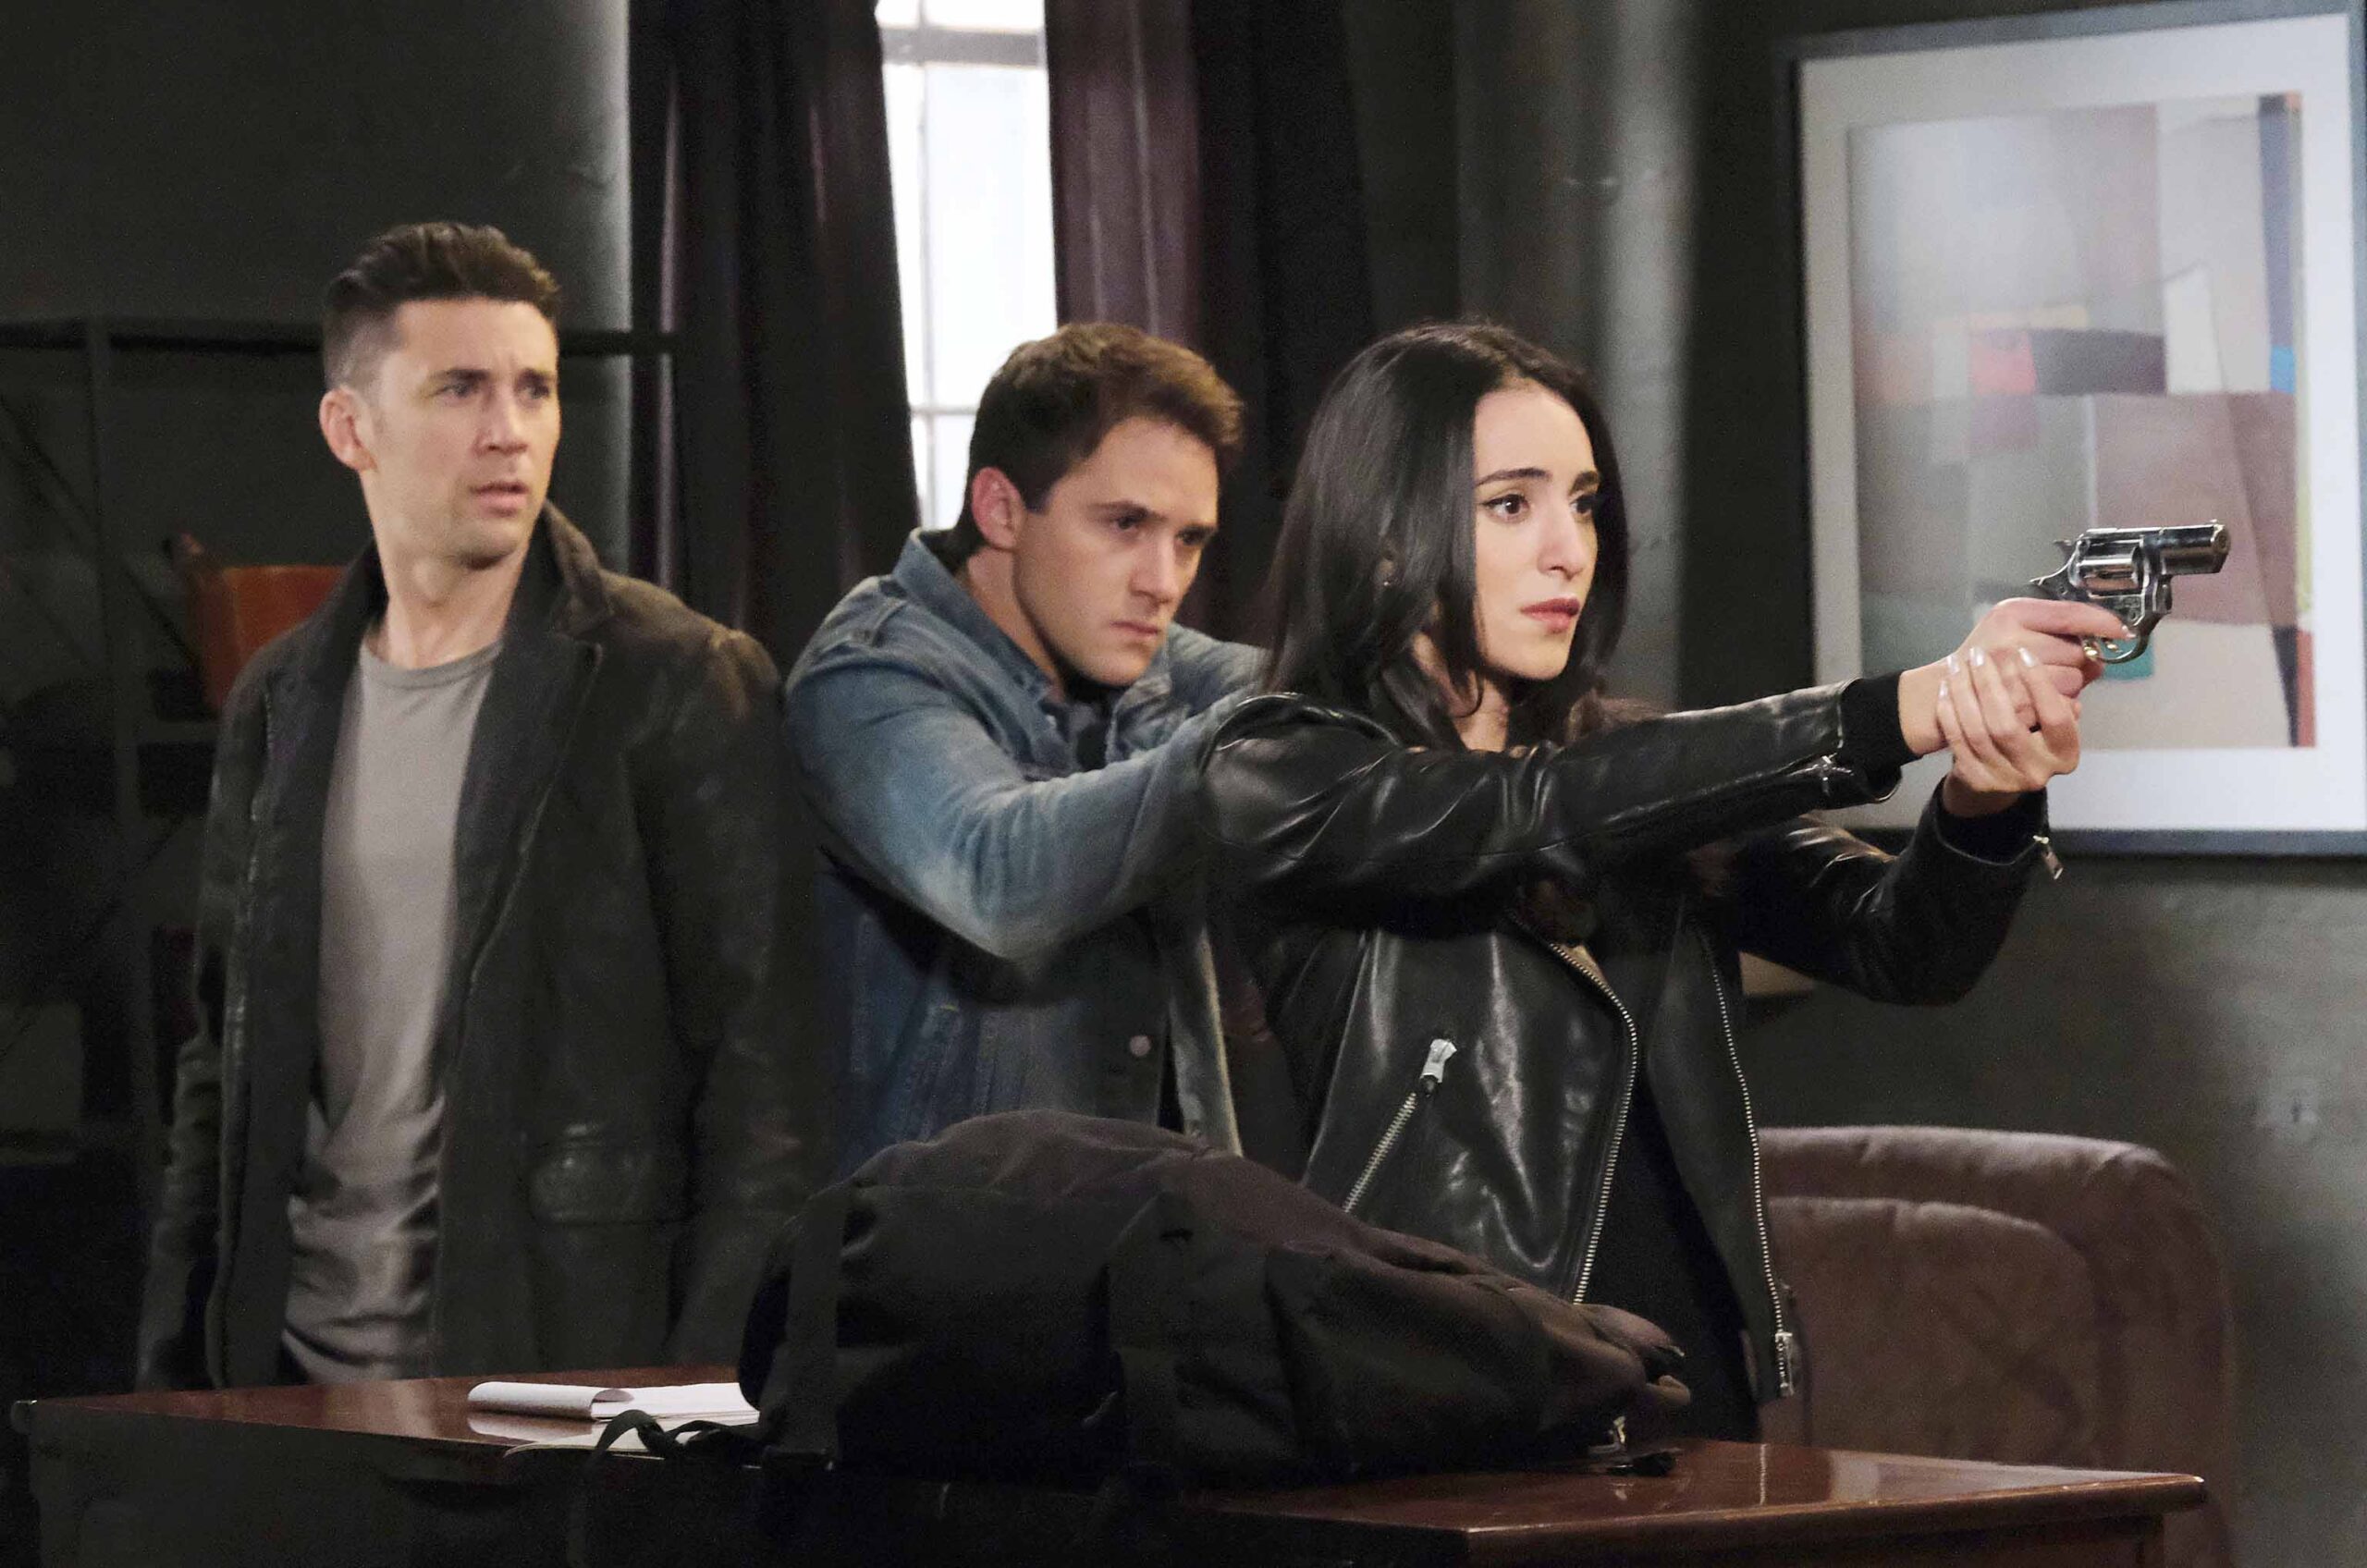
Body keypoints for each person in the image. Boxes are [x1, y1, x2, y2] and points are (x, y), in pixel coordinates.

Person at [1200, 322, 2127, 1439]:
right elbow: (1530, 813)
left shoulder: (1630, 780)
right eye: (1511, 504)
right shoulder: (1279, 766)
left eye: (1584, 502)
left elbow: (1902, 945)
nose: (1568, 549)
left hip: (1688, 1387)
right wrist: (1899, 708)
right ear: (1385, 538)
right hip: (1455, 1387)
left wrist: (1983, 794)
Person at [137, 222, 821, 1389]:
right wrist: (174, 1366)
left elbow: (768, 1090)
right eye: (459, 388)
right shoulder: (281, 698)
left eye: (534, 389)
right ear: (350, 428)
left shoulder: (674, 682)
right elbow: (223, 1060)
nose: (510, 430)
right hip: (286, 1370)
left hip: (551, 1370)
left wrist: (702, 1397)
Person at [785, 323, 1256, 1170]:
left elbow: (1296, 688)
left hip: (1162, 1215)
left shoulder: (1127, 645)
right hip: (942, 1238)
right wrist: (1243, 756)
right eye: (1125, 524)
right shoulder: (869, 671)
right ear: (1001, 510)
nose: (1163, 582)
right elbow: (997, 874)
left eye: (1189, 540)